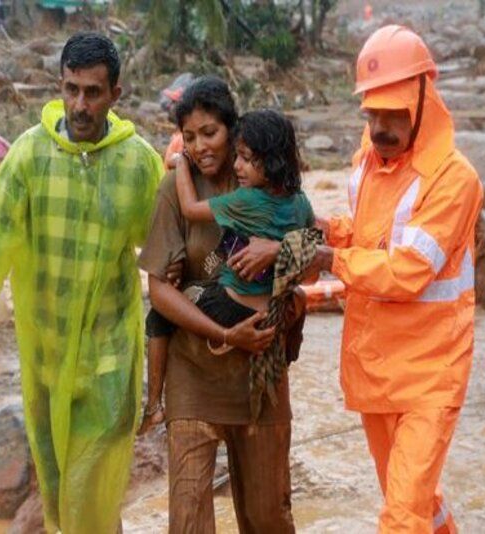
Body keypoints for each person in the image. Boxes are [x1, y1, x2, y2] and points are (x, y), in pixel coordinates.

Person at [0, 32, 164, 534]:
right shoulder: (29, 156)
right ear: (58, 86)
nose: (80, 104)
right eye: (71, 89)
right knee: (60, 490)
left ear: (116, 95)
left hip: (109, 354)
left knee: (92, 483)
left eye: (92, 92)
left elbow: (169, 248)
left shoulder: (137, 163)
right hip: (45, 356)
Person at [304, 25, 484, 533]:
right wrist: (326, 230)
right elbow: (368, 236)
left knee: (401, 517)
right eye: (372, 113)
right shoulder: (367, 159)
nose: (380, 126)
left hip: (431, 373)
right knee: (416, 502)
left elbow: (407, 271)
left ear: (424, 99)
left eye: (393, 114)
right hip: (377, 364)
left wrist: (326, 260)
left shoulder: (455, 179)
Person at [138, 76, 296, 533]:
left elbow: (310, 260)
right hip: (193, 374)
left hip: (260, 377)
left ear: (234, 130)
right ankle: (154, 403)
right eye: (190, 137)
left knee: (268, 518)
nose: (201, 146)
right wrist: (225, 334)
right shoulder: (175, 189)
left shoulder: (270, 186)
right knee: (187, 520)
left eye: (210, 132)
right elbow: (159, 289)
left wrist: (278, 252)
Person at [138, 109, 313, 434]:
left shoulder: (247, 200)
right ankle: (295, 322)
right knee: (287, 288)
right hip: (274, 309)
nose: (237, 165)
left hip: (233, 308)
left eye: (246, 159)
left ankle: (153, 407)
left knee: (162, 313)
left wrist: (180, 165)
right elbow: (313, 243)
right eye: (190, 138)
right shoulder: (300, 202)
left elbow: (190, 207)